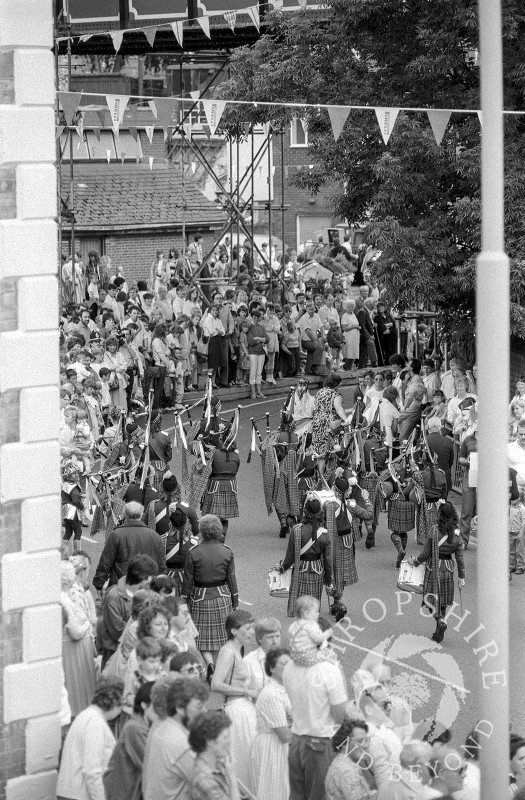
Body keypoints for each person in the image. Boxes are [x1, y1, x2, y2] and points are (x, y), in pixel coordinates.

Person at [283, 623, 349, 800]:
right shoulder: (329, 669)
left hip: (295, 739)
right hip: (319, 742)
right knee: (318, 795)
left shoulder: (289, 666)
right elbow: (340, 715)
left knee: (296, 794)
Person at [182, 514, 239, 679]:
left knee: (202, 637)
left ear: (202, 531)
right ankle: (220, 668)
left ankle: (210, 665)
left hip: (200, 597)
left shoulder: (193, 552)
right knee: (222, 636)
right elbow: (232, 580)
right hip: (222, 596)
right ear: (218, 530)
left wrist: (183, 601)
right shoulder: (227, 551)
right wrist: (235, 601)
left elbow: (187, 581)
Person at [210, 610, 257, 790]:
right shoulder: (228, 651)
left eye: (252, 628)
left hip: (243, 707)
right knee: (243, 759)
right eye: (248, 628)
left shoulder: (237, 650)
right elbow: (215, 684)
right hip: (235, 709)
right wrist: (246, 691)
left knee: (248, 757)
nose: (252, 632)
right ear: (233, 631)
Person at [56, 676, 124, 800]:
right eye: (121, 705)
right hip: (80, 795)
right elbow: (92, 770)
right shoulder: (95, 722)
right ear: (114, 702)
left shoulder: (87, 717)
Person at [142, 677, 210, 800]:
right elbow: (210, 789)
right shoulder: (181, 743)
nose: (205, 711)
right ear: (179, 708)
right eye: (199, 707)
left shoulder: (163, 727)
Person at [410, 501, 466, 644]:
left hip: (434, 567)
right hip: (448, 568)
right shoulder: (457, 533)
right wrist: (461, 577)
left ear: (440, 514)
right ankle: (438, 630)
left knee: (430, 600)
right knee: (442, 603)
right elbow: (459, 557)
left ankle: (440, 621)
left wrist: (415, 561)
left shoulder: (434, 530)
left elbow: (425, 554)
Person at [96, 555, 159, 669]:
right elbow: (117, 630)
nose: (152, 579)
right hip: (115, 655)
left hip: (138, 652)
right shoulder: (114, 597)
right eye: (150, 576)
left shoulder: (146, 592)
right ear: (142, 577)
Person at [249, 647, 292, 800]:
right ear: (272, 668)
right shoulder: (271, 694)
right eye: (283, 664)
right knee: (273, 791)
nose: (289, 667)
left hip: (279, 746)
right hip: (271, 747)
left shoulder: (284, 690)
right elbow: (285, 735)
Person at [93, 501, 166, 591]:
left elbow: (106, 562)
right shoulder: (155, 536)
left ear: (125, 515)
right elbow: (161, 566)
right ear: (141, 515)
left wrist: (99, 584)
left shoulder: (116, 534)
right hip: (145, 587)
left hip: (121, 586)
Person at [280, 497, 334, 618]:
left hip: (301, 569)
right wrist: (329, 580)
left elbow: (290, 556)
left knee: (301, 608)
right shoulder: (324, 534)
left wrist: (282, 568)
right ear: (320, 513)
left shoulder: (296, 530)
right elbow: (328, 560)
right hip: (317, 570)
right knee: (313, 607)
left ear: (305, 512)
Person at [103, 681, 157, 800]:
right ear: (144, 705)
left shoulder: (144, 727)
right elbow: (155, 767)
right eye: (157, 705)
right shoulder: (133, 729)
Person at [60, 560, 97, 718]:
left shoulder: (63, 598)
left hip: (71, 649)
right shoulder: (65, 601)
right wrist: (87, 624)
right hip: (74, 651)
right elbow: (75, 632)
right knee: (78, 691)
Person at [188, 710, 241, 800]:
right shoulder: (204, 779)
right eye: (225, 737)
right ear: (210, 741)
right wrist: (232, 777)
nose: (229, 741)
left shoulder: (217, 766)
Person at [324, 719, 377, 800]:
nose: (365, 745)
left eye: (366, 740)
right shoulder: (348, 770)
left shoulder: (340, 762)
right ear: (344, 744)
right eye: (359, 741)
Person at [311, 373, 348, 474]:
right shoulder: (335, 395)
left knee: (319, 452)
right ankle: (327, 477)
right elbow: (339, 409)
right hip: (330, 425)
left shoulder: (319, 392)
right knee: (332, 451)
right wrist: (347, 419)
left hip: (317, 424)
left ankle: (319, 475)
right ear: (337, 384)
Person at [288, 595, 335, 667]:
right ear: (306, 614)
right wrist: (327, 634)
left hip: (295, 656)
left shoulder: (294, 624)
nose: (318, 614)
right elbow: (318, 639)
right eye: (316, 611)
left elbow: (290, 636)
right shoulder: (311, 625)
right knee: (330, 654)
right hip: (307, 657)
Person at [243, 617, 282, 696]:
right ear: (259, 639)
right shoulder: (248, 661)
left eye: (277, 636)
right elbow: (241, 691)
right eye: (270, 637)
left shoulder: (286, 660)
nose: (275, 641)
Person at [425, 416, 455, 496]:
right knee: (443, 504)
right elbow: (451, 462)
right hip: (444, 478)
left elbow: (418, 460)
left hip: (427, 479)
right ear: (440, 427)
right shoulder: (448, 441)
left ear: (429, 427)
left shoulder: (423, 441)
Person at [247, 308, 270, 399]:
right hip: (253, 352)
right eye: (256, 317)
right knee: (253, 372)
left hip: (261, 352)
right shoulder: (250, 327)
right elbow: (250, 341)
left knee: (259, 372)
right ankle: (253, 391)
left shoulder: (261, 327)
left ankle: (259, 391)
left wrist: (258, 339)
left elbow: (267, 339)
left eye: (259, 317)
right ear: (253, 317)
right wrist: (261, 340)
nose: (257, 319)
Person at [509, 491, 525, 577]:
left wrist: (521, 533)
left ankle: (521, 567)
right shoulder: (510, 507)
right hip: (511, 532)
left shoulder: (522, 509)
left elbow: (523, 522)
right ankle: (512, 566)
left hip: (519, 532)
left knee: (519, 551)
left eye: (513, 498)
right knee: (511, 551)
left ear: (519, 499)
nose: (511, 500)